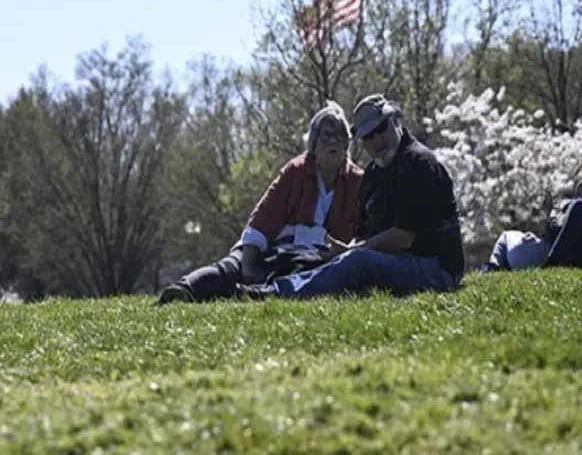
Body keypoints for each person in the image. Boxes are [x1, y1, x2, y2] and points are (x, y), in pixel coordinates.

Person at [236, 94, 465, 300]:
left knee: (356, 261)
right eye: (368, 136)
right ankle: (272, 287)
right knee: (337, 259)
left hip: (436, 268)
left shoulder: (418, 164)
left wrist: (351, 251)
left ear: (396, 121)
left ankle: (277, 292)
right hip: (396, 262)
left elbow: (402, 238)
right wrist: (342, 250)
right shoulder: (374, 174)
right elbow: (363, 235)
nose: (376, 141)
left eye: (381, 129)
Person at [155, 100, 363, 304]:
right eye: (327, 136)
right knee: (230, 268)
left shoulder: (358, 182)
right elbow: (263, 219)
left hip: (313, 262)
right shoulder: (296, 171)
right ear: (313, 145)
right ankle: (182, 290)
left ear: (347, 145)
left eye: (340, 136)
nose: (334, 142)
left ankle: (252, 294)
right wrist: (248, 265)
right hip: (271, 248)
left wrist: (346, 250)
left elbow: (364, 236)